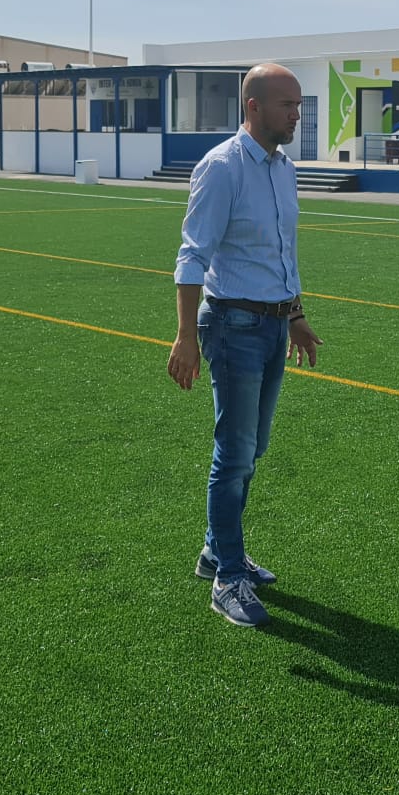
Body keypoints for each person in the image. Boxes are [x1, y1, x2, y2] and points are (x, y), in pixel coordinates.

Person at [168, 63, 321, 627]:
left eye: (299, 104)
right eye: (288, 105)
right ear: (253, 106)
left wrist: (297, 316)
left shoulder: (285, 170)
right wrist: (186, 336)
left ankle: (216, 551)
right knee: (233, 455)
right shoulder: (221, 168)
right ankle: (228, 575)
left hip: (273, 326)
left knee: (251, 450)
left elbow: (284, 252)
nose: (297, 115)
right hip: (231, 327)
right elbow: (191, 256)